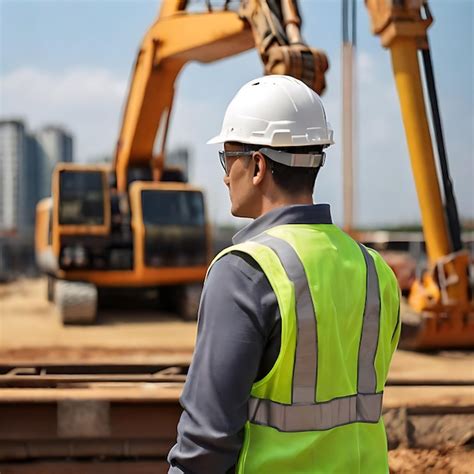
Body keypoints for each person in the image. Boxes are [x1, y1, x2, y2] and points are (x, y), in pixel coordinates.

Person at [168, 75, 400, 473]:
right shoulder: (374, 270)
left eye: (228, 158)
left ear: (257, 165)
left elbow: (205, 443)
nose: (225, 175)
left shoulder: (244, 272)